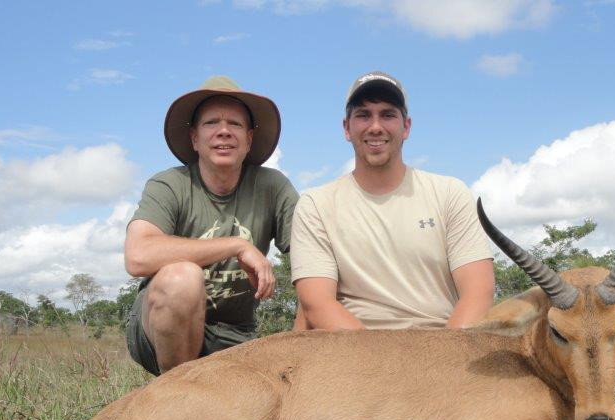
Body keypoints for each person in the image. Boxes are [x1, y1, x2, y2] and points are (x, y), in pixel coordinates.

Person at [290, 71, 494, 330]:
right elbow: (317, 304)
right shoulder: (316, 204)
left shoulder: (450, 193)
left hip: (442, 345)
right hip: (348, 353)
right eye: (363, 115)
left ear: (406, 127)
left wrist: (443, 361)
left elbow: (479, 294)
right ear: (346, 128)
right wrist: (384, 367)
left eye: (387, 115)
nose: (375, 127)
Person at [124, 75, 298, 375]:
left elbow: (313, 250)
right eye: (211, 123)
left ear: (249, 139)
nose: (223, 132)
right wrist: (237, 245)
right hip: (157, 330)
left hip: (235, 336)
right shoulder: (170, 184)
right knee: (182, 278)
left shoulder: (272, 186)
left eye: (235, 124)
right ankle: (175, 392)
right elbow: (137, 255)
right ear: (194, 138)